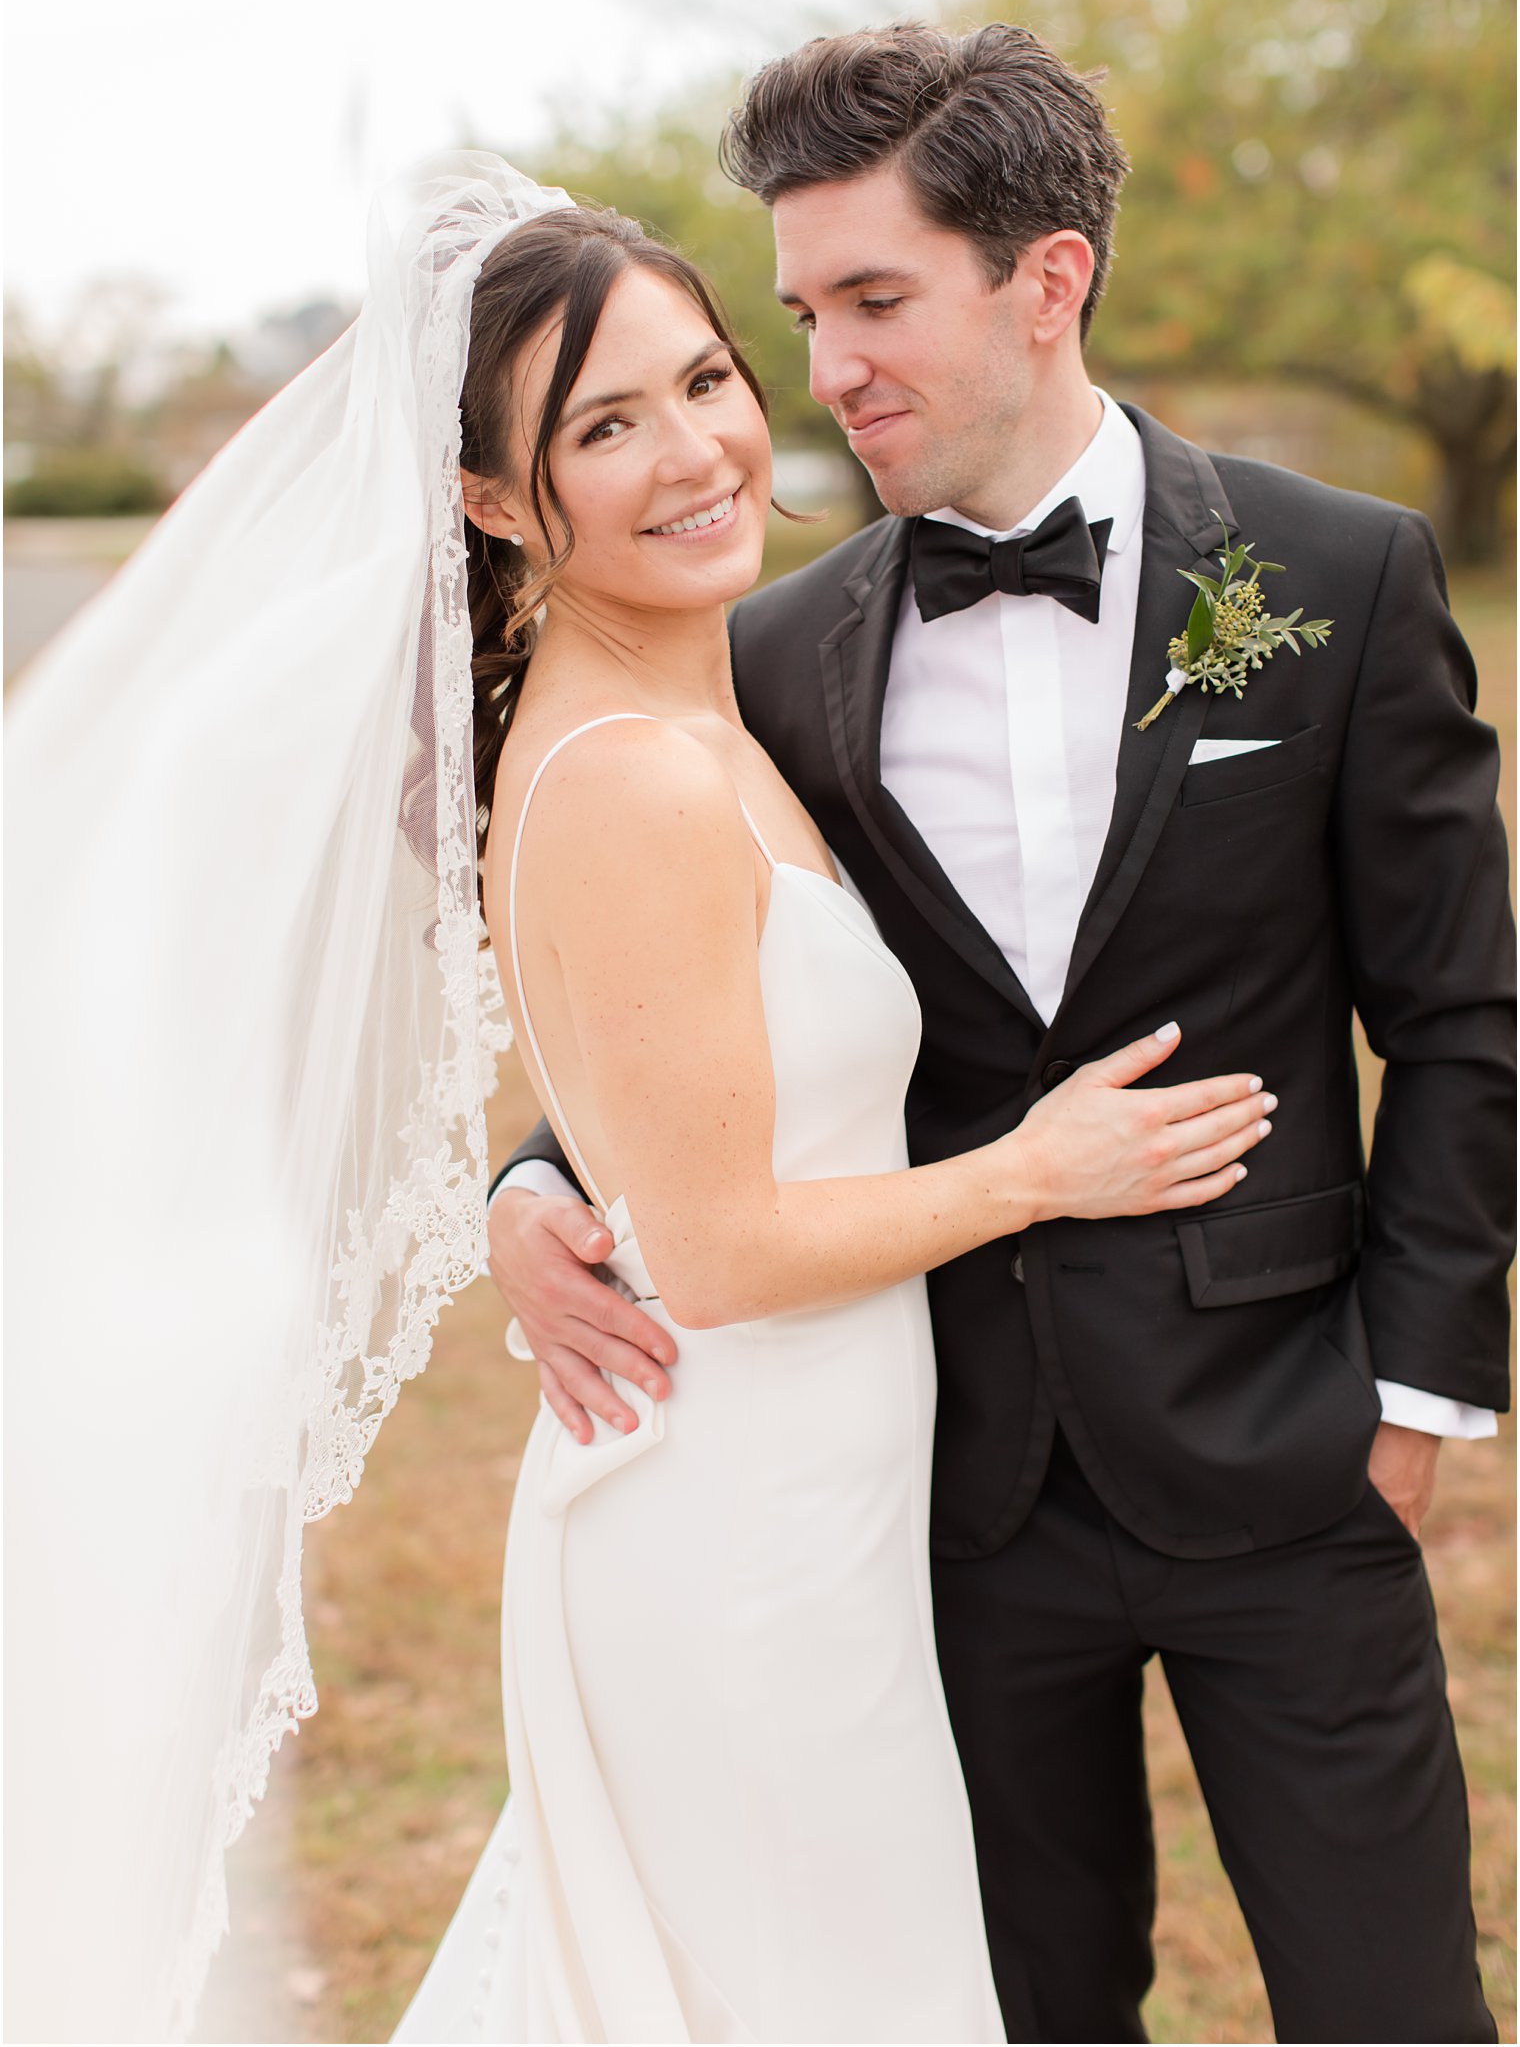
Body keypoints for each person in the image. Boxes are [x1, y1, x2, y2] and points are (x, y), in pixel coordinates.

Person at [488, 24, 1515, 2044]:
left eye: (875, 299)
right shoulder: (771, 652)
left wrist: (1418, 1396)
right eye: (801, 313)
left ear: (1044, 279)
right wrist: (538, 1176)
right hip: (948, 1493)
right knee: (1025, 2007)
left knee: (1394, 2002)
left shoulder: (1332, 576)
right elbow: (689, 992)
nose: (826, 366)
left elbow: (1463, 1015)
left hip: (1288, 1446)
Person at [392, 199, 1273, 2044]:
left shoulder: (708, 719)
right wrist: (1042, 1171)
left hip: (827, 1525)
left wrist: (536, 1177)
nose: (699, 447)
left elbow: (670, 1092)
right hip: (736, 1543)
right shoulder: (630, 774)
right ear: (492, 501)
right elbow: (712, 1250)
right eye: (601, 426)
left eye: (704, 377)